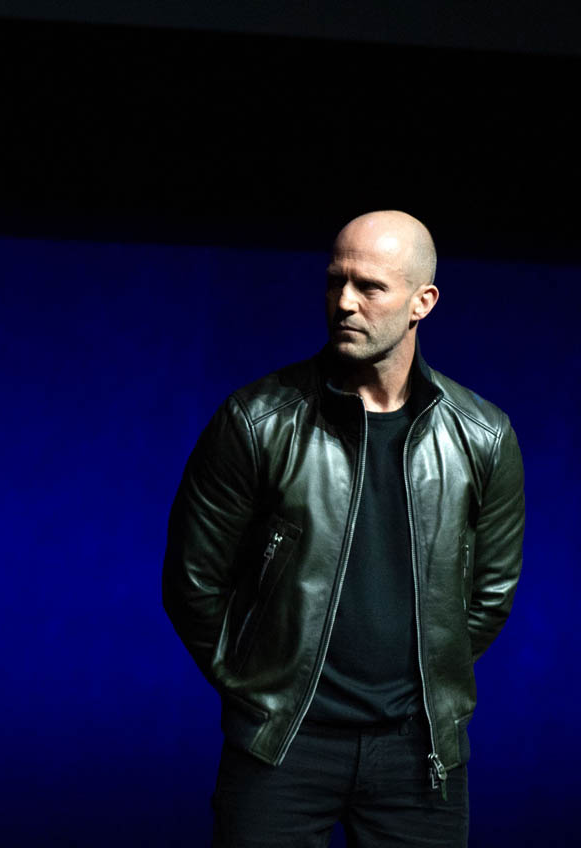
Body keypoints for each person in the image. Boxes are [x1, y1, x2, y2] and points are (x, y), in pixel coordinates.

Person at [162, 210, 524, 847]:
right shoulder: (258, 421)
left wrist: (424, 683)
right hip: (282, 745)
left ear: (422, 303)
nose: (345, 302)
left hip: (418, 752)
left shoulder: (482, 436)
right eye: (336, 281)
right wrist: (256, 688)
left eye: (370, 287)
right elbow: (193, 582)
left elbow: (489, 595)